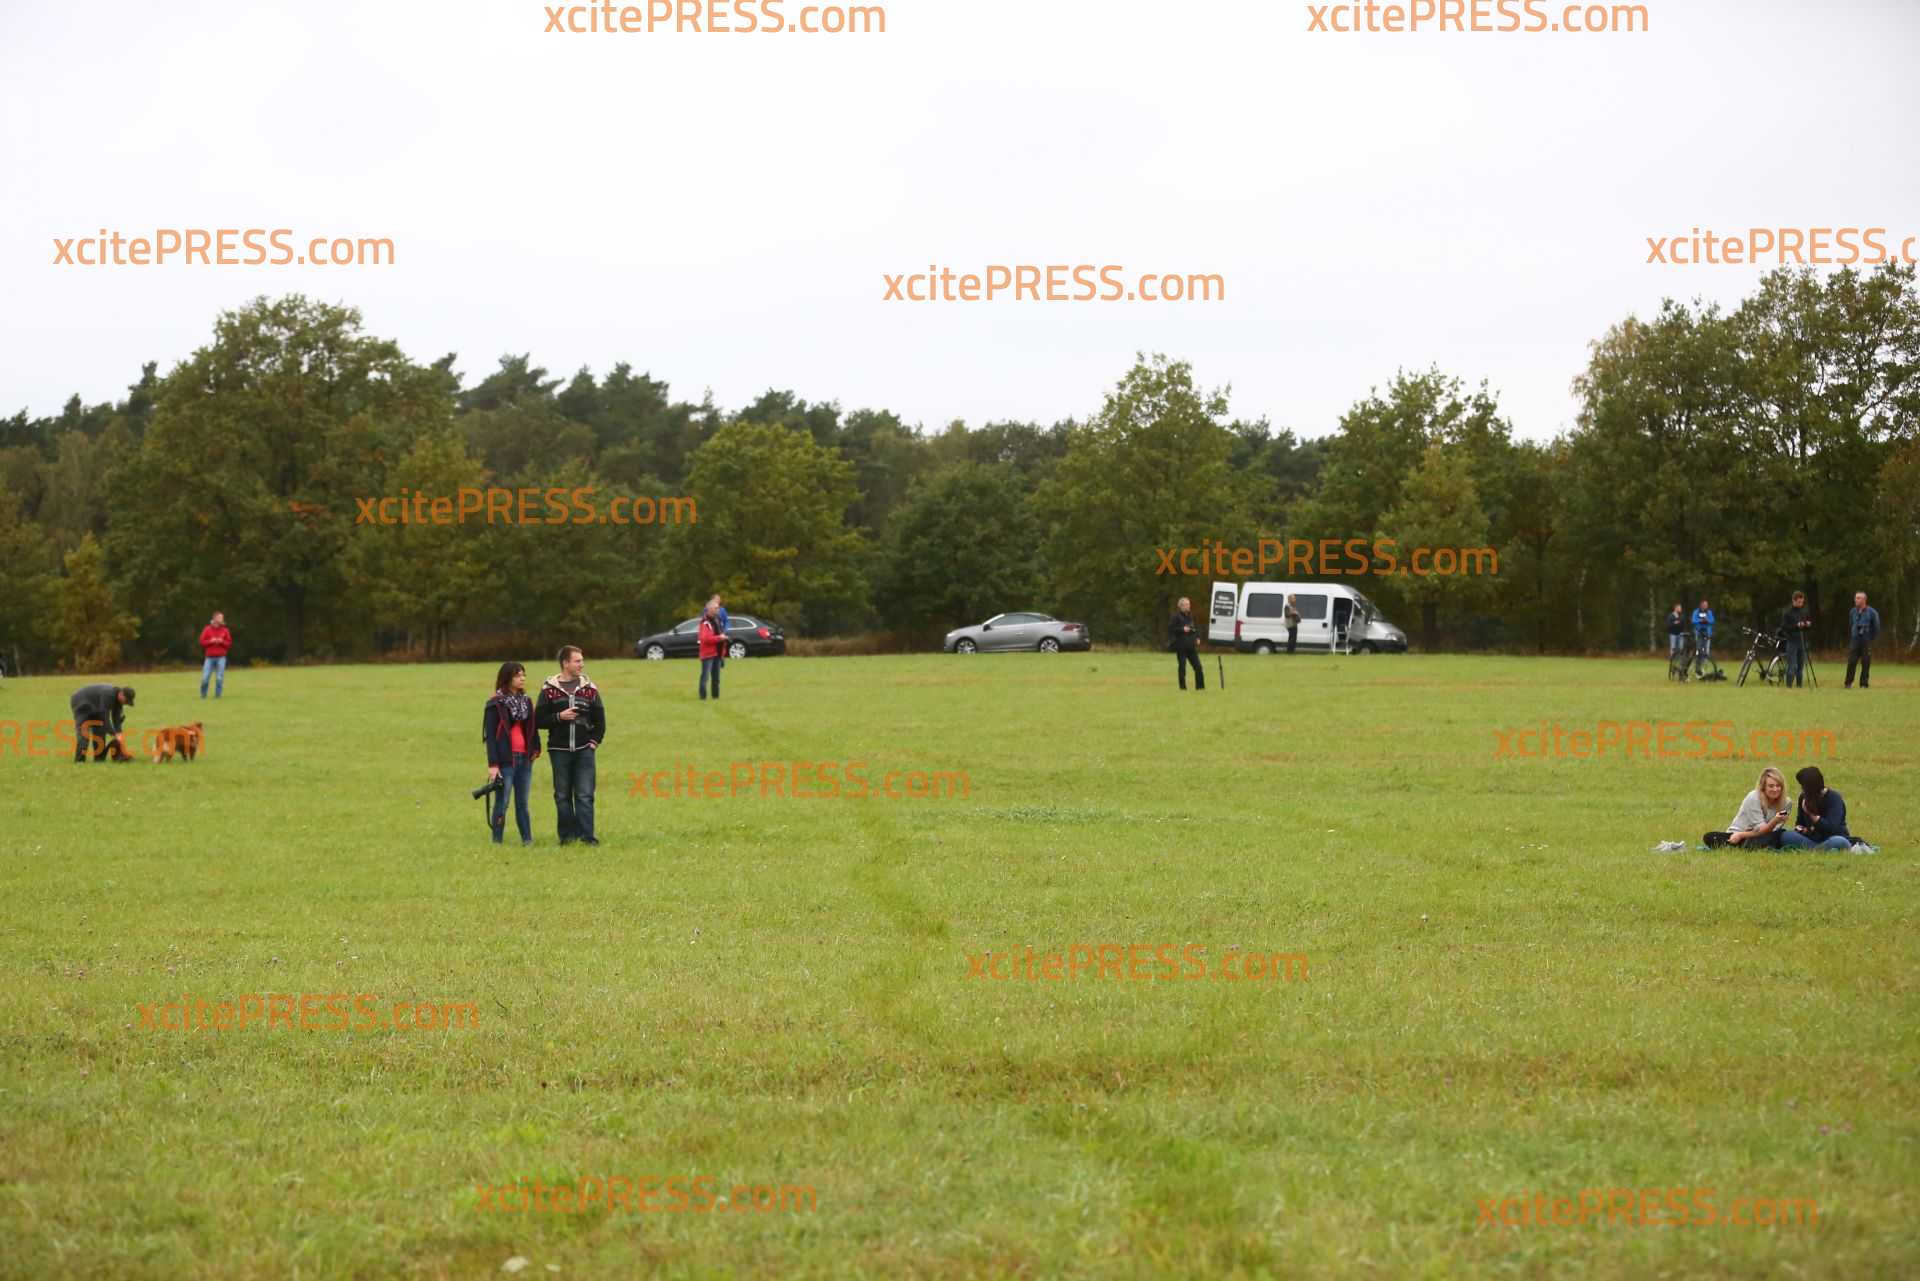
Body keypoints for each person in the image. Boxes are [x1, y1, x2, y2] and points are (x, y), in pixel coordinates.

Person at [534, 646, 605, 846]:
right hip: (559, 751)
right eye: (577, 661)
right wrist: (559, 716)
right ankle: (567, 837)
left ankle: (587, 837)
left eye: (582, 660)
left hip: (585, 751)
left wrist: (593, 742)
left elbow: (600, 720)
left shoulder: (590, 689)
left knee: (585, 795)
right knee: (562, 796)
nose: (582, 664)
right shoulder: (548, 690)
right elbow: (538, 720)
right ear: (565, 663)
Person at [482, 662, 540, 848]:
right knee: (503, 802)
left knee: (523, 803)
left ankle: (527, 840)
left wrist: (535, 749)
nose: (522, 678)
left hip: (525, 759)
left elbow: (532, 728)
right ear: (507, 678)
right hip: (506, 760)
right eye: (517, 675)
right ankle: (497, 841)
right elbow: (491, 737)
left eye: (523, 675)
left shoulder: (526, 702)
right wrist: (493, 765)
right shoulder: (495, 703)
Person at [1780, 766, 1856, 851]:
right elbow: (1799, 823)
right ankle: (1818, 849)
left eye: (1803, 786)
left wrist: (1812, 816)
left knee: (1840, 841)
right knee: (1786, 835)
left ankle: (1815, 849)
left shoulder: (1834, 798)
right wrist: (1801, 829)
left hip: (1831, 838)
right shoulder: (1804, 797)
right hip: (1811, 839)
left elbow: (1832, 828)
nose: (1802, 789)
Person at [1719, 766, 1792, 849]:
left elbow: (1774, 831)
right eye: (1771, 786)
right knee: (1710, 837)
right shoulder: (1754, 797)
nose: (1775, 789)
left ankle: (1753, 845)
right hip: (1739, 833)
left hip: (1765, 836)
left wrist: (1776, 823)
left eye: (1778, 786)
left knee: (1782, 834)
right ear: (1763, 787)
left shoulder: (1787, 802)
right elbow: (1761, 830)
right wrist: (1775, 820)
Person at [69, 683, 135, 763]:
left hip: (96, 707)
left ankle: (99, 759)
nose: (126, 703)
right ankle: (80, 760)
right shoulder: (109, 695)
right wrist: (113, 733)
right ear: (121, 694)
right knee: (84, 732)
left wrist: (119, 733)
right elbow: (105, 717)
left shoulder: (118, 701)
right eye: (126, 701)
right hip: (81, 703)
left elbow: (116, 719)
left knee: (100, 731)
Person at [1844, 590, 1879, 690]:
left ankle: (1864, 684)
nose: (1856, 600)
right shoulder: (1852, 611)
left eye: (1858, 598)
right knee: (1851, 661)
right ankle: (1848, 683)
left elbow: (1876, 627)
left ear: (1864, 600)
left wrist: (1870, 638)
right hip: (1855, 639)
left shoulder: (1872, 612)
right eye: (1855, 598)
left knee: (1866, 662)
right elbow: (1851, 623)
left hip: (1866, 640)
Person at [1169, 597, 1204, 690]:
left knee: (1198, 667)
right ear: (1181, 606)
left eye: (1189, 604)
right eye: (1187, 604)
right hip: (1181, 646)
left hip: (1191, 646)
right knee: (1182, 667)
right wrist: (1182, 629)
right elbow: (1171, 629)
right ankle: (1183, 687)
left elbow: (1194, 628)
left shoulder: (1190, 616)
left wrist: (1197, 637)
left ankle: (1200, 687)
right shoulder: (1175, 617)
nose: (1189, 606)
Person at [198, 611, 233, 699]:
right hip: (209, 658)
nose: (222, 619)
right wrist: (211, 641)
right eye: (221, 617)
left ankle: (218, 696)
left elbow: (229, 644)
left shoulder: (225, 630)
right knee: (205, 678)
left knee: (219, 678)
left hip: (221, 657)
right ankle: (203, 696)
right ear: (215, 618)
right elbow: (201, 642)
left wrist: (222, 642)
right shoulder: (207, 629)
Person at [1780, 591, 1811, 688]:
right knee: (1793, 666)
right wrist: (1796, 626)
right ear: (1793, 600)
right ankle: (1789, 686)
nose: (1801, 604)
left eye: (1802, 602)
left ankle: (1799, 686)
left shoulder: (1804, 612)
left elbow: (1806, 627)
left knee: (1800, 666)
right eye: (1799, 602)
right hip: (1792, 641)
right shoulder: (1787, 612)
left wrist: (1807, 625)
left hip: (1802, 641)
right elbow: (1784, 627)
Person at [698, 602, 725, 700]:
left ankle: (715, 697)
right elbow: (705, 639)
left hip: (718, 652)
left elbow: (720, 632)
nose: (718, 610)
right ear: (710, 609)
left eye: (718, 608)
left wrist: (723, 638)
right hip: (708, 654)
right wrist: (719, 638)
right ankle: (703, 697)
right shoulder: (705, 623)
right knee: (705, 677)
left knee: (716, 678)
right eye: (716, 608)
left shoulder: (717, 619)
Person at [1690, 598, 1715, 676]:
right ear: (1701, 605)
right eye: (1704, 605)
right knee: (1699, 650)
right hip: (1699, 633)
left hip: (1707, 633)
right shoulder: (1696, 612)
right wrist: (1700, 620)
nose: (1706, 606)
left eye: (1706, 605)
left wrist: (1707, 620)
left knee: (1706, 651)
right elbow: (1693, 620)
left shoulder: (1709, 612)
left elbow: (1712, 621)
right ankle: (1697, 668)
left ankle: (1704, 667)